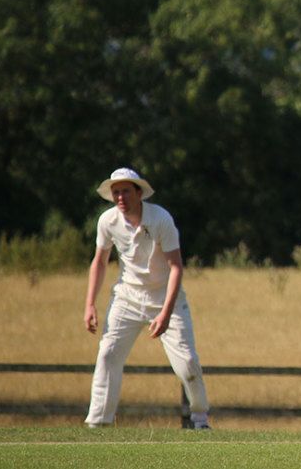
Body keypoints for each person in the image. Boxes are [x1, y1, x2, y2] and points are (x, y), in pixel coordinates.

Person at [83, 167, 211, 429]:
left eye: (126, 192)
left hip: (166, 299)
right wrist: (89, 304)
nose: (120, 197)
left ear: (139, 193)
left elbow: (176, 266)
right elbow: (100, 262)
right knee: (108, 354)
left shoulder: (160, 219)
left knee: (186, 363)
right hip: (127, 297)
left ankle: (200, 420)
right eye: (116, 192)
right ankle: (98, 423)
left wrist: (164, 313)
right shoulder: (107, 221)